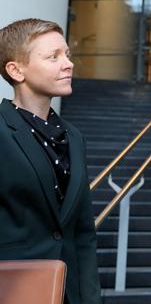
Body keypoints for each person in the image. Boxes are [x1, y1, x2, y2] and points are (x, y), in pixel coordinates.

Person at [0, 18, 101, 304]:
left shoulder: (74, 137)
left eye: (67, 54)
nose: (68, 63)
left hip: (67, 292)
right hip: (11, 291)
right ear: (16, 70)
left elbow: (83, 231)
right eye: (53, 57)